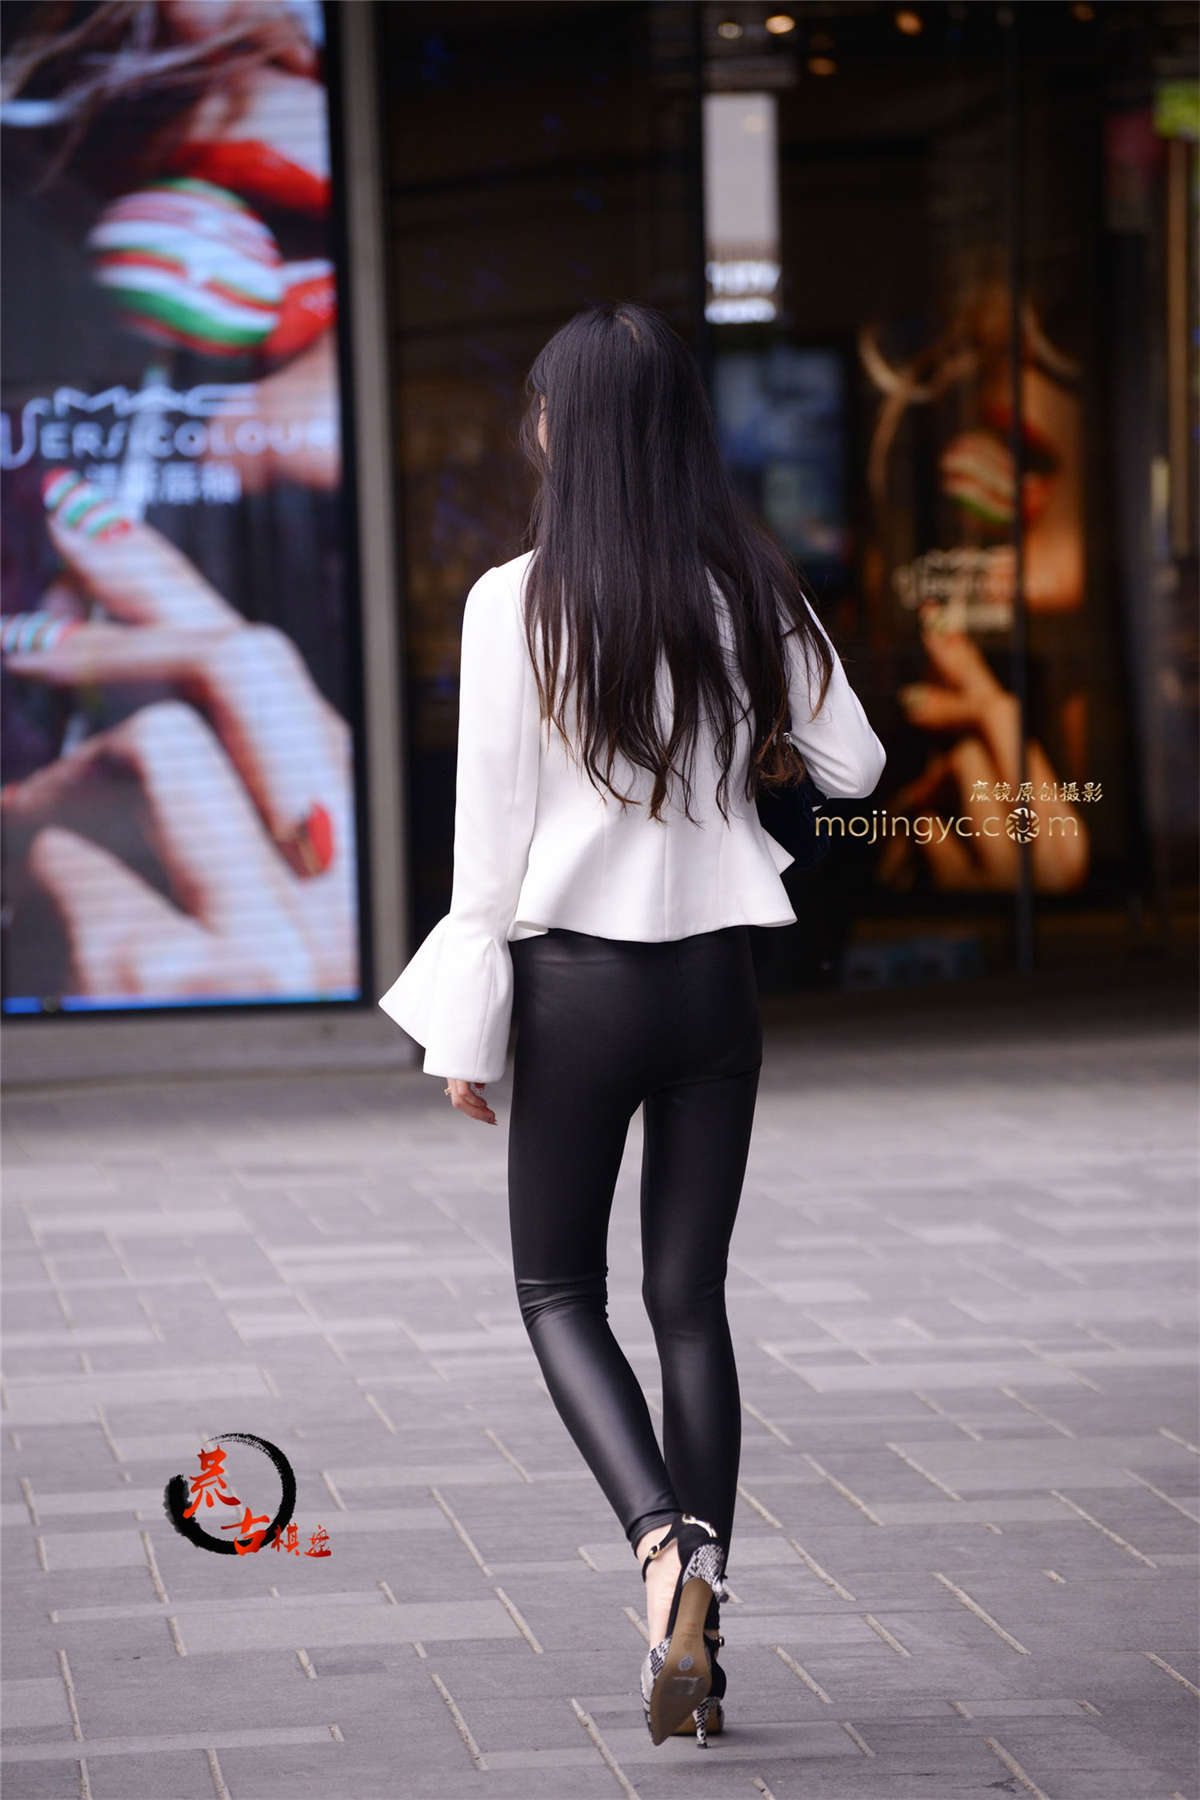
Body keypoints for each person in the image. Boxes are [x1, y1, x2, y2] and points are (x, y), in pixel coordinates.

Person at [378, 301, 886, 1748]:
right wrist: (747, 745)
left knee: (558, 1293)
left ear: (569, 432)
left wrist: (464, 1030)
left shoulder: (511, 602)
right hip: (716, 985)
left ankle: (661, 1551)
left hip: (576, 992)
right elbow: (857, 764)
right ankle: (702, 1625)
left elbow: (487, 851)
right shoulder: (750, 589)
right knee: (690, 1303)